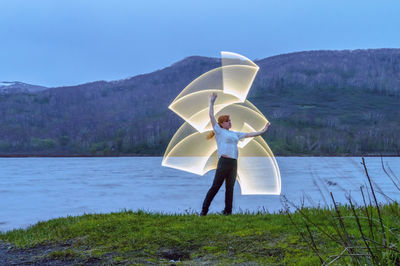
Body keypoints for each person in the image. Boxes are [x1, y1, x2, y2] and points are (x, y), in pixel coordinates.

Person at [201, 92, 270, 216]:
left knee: (230, 188)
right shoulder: (219, 131)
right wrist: (212, 101)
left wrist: (263, 130)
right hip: (223, 162)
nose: (229, 122)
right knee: (215, 187)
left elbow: (250, 134)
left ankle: (228, 212)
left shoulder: (234, 134)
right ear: (222, 124)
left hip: (233, 163)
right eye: (227, 121)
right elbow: (211, 115)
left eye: (230, 121)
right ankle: (204, 211)